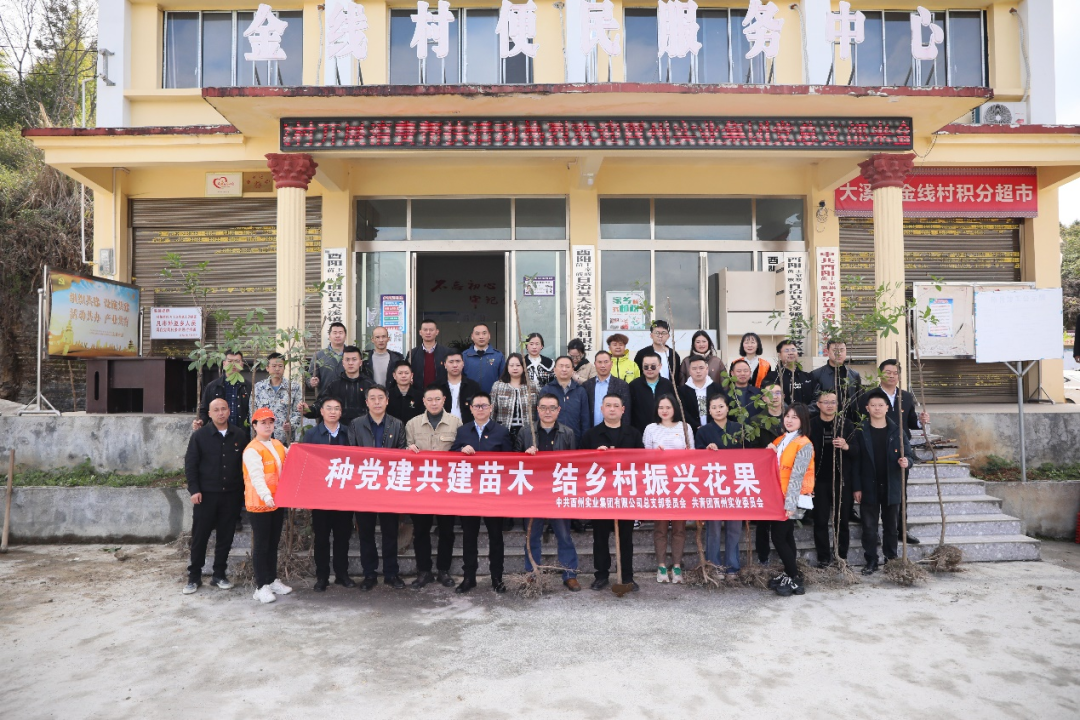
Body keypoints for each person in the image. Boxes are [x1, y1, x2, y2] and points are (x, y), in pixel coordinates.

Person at [856, 359, 930, 546]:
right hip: (875, 447)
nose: (891, 376)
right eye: (887, 372)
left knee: (900, 492)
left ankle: (900, 530)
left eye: (895, 373)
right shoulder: (870, 396)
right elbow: (860, 421)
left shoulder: (906, 396)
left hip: (899, 449)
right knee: (873, 494)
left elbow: (910, 422)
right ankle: (873, 533)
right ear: (880, 374)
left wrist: (921, 421)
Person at [182, 398, 247, 595]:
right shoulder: (200, 436)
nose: (220, 413)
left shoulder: (239, 435)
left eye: (223, 409)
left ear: (229, 411)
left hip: (231, 495)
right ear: (209, 414)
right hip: (206, 495)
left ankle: (219, 574)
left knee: (226, 536)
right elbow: (191, 464)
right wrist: (194, 490)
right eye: (216, 410)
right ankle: (194, 576)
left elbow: (244, 465)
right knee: (200, 536)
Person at [517, 393, 581, 591]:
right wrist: (526, 455)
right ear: (537, 409)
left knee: (564, 534)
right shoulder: (526, 432)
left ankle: (569, 574)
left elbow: (574, 463)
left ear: (558, 410)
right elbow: (514, 463)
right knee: (532, 535)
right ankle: (532, 573)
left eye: (552, 408)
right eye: (543, 407)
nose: (547, 412)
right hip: (533, 491)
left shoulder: (567, 433)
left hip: (558, 490)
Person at [451, 393, 514, 594]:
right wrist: (461, 449)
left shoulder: (501, 432)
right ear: (470, 408)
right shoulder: (462, 431)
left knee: (496, 536)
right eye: (476, 406)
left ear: (491, 408)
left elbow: (509, 462)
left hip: (493, 493)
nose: (480, 409)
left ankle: (497, 577)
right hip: (469, 493)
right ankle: (469, 577)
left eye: (484, 405)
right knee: (469, 536)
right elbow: (450, 456)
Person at [581, 394, 644, 591]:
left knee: (626, 538)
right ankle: (601, 575)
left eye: (616, 406)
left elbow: (641, 462)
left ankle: (627, 576)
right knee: (600, 537)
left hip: (626, 493)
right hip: (601, 493)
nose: (612, 409)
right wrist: (595, 456)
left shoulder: (633, 434)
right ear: (601, 409)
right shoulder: (591, 435)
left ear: (623, 410)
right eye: (608, 405)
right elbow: (581, 464)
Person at [348, 385, 408, 590]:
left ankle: (391, 573)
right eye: (372, 398)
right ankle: (369, 574)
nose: (376, 402)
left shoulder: (397, 424)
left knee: (390, 533)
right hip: (365, 486)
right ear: (366, 402)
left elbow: (402, 454)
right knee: (366, 533)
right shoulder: (356, 424)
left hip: (389, 487)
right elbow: (351, 455)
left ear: (387, 401)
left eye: (380, 398)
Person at [405, 385, 463, 589]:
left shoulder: (456, 423)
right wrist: (408, 449)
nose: (434, 403)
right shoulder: (412, 424)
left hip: (447, 487)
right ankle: (424, 571)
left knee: (446, 531)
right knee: (421, 531)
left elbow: (460, 450)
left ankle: (443, 570)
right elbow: (405, 453)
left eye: (437, 399)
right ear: (424, 401)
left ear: (444, 400)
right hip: (421, 486)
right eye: (429, 399)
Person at [853, 390, 916, 575]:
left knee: (891, 527)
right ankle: (871, 561)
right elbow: (855, 461)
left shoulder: (897, 431)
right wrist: (857, 487)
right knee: (869, 527)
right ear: (867, 408)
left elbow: (909, 456)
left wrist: (906, 462)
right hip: (868, 485)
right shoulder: (860, 431)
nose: (877, 409)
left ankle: (891, 560)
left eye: (881, 405)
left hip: (891, 485)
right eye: (873, 405)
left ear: (887, 408)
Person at [302, 397, 356, 592]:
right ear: (322, 412)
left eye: (336, 409)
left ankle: (342, 574)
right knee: (321, 538)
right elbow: (306, 464)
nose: (333, 412)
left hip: (344, 495)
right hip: (320, 496)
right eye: (329, 408)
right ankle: (322, 577)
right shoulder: (312, 434)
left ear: (341, 412)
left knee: (343, 537)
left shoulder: (350, 433)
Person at [242, 407, 291, 604]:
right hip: (259, 504)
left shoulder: (277, 444)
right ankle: (261, 586)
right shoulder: (252, 449)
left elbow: (291, 458)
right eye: (263, 423)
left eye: (270, 422)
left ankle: (272, 580)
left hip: (277, 502)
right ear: (254, 426)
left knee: (273, 543)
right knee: (261, 545)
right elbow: (256, 477)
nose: (267, 426)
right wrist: (265, 495)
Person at [767, 403, 815, 597]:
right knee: (786, 536)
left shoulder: (804, 443)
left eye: (795, 417)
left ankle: (794, 577)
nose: (789, 420)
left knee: (778, 537)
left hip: (790, 498)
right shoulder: (781, 439)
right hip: (778, 496)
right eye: (787, 416)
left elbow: (797, 475)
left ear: (803, 420)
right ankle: (789, 573)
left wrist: (790, 504)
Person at [644, 394, 692, 584]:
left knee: (679, 528)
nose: (664, 411)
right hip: (660, 483)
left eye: (668, 407)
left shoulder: (685, 427)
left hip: (680, 482)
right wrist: (655, 455)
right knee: (661, 527)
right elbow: (644, 458)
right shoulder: (651, 428)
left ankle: (677, 566)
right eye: (661, 407)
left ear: (675, 409)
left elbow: (692, 455)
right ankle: (661, 565)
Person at [808, 390, 858, 568]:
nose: (830, 405)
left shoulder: (846, 424)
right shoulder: (811, 425)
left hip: (841, 480)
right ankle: (823, 558)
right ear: (818, 405)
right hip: (818, 481)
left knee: (842, 521)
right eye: (826, 402)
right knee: (820, 521)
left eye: (833, 402)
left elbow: (857, 451)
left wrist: (846, 446)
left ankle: (841, 557)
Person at [695, 394, 744, 576]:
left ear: (728, 408)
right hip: (713, 484)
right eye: (714, 407)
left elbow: (748, 454)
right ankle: (714, 566)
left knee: (734, 527)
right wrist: (707, 450)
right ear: (709, 411)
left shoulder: (738, 429)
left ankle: (732, 567)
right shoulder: (703, 431)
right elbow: (697, 456)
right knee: (713, 528)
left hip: (736, 483)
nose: (718, 410)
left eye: (721, 406)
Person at [302, 345, 372, 426]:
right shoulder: (334, 385)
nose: (350, 363)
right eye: (347, 360)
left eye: (354, 359)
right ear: (343, 363)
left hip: (363, 429)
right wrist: (308, 410)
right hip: (339, 430)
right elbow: (321, 404)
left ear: (360, 363)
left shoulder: (369, 385)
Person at [193, 351, 250, 432]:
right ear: (224, 363)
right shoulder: (212, 386)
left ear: (242, 364)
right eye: (230, 361)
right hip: (217, 434)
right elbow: (204, 410)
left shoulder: (248, 387)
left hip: (242, 433)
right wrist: (201, 421)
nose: (233, 364)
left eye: (237, 361)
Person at [252, 352, 302, 444]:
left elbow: (298, 411)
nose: (277, 369)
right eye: (274, 366)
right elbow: (253, 413)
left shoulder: (293, 387)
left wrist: (291, 424)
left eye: (280, 366)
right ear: (267, 368)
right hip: (263, 439)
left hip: (285, 438)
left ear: (284, 368)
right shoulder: (258, 388)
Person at [539, 356, 591, 443]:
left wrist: (584, 441)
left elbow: (585, 419)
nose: (564, 369)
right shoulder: (546, 390)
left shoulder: (580, 391)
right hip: (551, 440)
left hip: (575, 439)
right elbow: (540, 416)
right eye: (561, 366)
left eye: (567, 367)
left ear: (573, 370)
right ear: (555, 370)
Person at [490, 353, 538, 447]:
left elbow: (538, 409)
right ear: (507, 367)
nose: (515, 368)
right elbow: (492, 411)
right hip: (503, 430)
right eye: (511, 365)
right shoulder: (498, 386)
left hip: (528, 431)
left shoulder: (532, 386)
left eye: (518, 365)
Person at [810, 340, 863, 416]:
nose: (839, 353)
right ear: (828, 352)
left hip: (850, 420)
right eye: (835, 350)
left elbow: (859, 400)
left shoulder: (854, 375)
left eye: (842, 350)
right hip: (827, 419)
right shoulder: (816, 374)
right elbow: (814, 402)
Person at [628, 351, 675, 432]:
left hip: (664, 430)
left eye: (653, 366)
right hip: (639, 431)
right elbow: (629, 410)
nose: (649, 369)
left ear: (660, 366)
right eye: (646, 366)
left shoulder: (667, 384)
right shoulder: (634, 385)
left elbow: (674, 407)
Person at [583, 350, 631, 428]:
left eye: (606, 362)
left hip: (614, 430)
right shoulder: (587, 385)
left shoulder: (622, 385)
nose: (603, 365)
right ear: (595, 364)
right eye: (600, 362)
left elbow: (626, 413)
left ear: (611, 364)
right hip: (591, 431)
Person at [677, 354, 723, 432]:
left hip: (715, 429)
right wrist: (696, 426)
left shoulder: (716, 388)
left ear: (707, 369)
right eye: (694, 368)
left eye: (701, 368)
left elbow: (722, 407)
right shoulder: (682, 391)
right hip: (692, 430)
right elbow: (682, 411)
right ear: (689, 371)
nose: (698, 371)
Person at [763, 339, 814, 407]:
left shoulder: (807, 377)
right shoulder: (773, 377)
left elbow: (816, 398)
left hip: (806, 413)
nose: (791, 353)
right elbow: (769, 397)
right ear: (779, 355)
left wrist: (806, 411)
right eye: (786, 350)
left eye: (793, 350)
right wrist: (789, 411)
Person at [462, 323, 506, 393]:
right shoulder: (464, 356)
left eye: (484, 333)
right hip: (470, 396)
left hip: (492, 396)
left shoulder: (498, 356)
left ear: (489, 336)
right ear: (472, 336)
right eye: (477, 334)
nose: (481, 337)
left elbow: (503, 379)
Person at [440, 350, 481, 424]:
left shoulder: (473, 386)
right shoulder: (437, 386)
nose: (455, 365)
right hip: (443, 427)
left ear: (463, 363)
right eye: (451, 362)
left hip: (467, 427)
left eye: (458, 361)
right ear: (445, 365)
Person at [408, 318, 450, 388]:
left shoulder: (446, 352)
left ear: (437, 332)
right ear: (420, 332)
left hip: (441, 392)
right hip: (419, 392)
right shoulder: (412, 353)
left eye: (431, 330)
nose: (428, 332)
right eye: (425, 330)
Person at [309, 321, 347, 391]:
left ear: (345, 336)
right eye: (335, 333)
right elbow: (310, 376)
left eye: (340, 333)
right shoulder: (319, 355)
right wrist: (312, 381)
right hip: (325, 396)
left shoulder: (352, 355)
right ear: (329, 336)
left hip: (348, 396)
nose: (338, 335)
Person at [386, 360, 423, 424]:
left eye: (406, 373)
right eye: (400, 373)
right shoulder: (387, 395)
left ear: (411, 375)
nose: (403, 376)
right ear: (394, 375)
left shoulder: (420, 396)